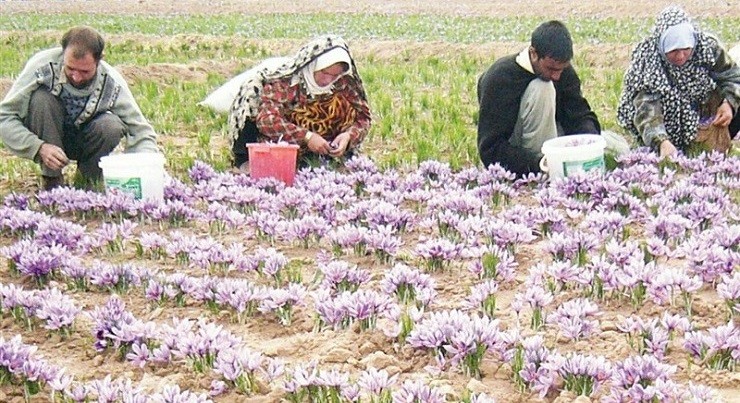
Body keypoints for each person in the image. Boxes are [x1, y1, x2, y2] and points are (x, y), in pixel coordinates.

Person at [0, 26, 159, 190]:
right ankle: (52, 181)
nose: (76, 76)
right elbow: (5, 117)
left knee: (110, 125)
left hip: (87, 140)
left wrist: (148, 170)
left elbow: (141, 131)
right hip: (47, 136)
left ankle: (87, 182)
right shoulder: (41, 67)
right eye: (70, 68)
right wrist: (37, 147)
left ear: (99, 61)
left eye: (84, 71)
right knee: (41, 100)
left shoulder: (112, 83)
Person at [228, 35, 371, 171]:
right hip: (286, 147)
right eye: (324, 73)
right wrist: (306, 137)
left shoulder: (344, 84)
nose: (328, 80)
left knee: (343, 105)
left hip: (326, 147)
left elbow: (363, 118)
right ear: (313, 65)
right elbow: (267, 121)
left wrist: (348, 136)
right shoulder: (285, 84)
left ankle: (325, 158)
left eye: (335, 75)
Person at [476, 20, 601, 176]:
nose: (556, 76)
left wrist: (589, 144)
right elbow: (490, 147)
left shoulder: (563, 72)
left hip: (554, 141)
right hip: (518, 153)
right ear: (533, 54)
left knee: (615, 147)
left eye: (561, 69)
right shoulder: (500, 78)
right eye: (551, 69)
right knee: (543, 88)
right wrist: (536, 164)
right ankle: (545, 169)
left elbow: (579, 115)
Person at [617, 6, 740, 157]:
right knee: (661, 142)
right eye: (674, 51)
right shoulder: (649, 60)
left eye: (686, 49)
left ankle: (709, 145)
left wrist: (729, 103)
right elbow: (646, 109)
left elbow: (732, 75)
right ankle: (671, 148)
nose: (681, 56)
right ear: (662, 46)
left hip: (700, 109)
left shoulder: (706, 47)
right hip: (667, 119)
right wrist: (661, 140)